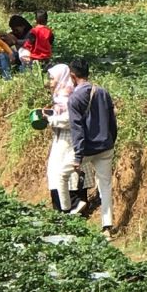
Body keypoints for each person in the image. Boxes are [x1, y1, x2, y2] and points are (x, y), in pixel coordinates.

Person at [67, 57, 118, 241]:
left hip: (88, 149)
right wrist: (111, 140)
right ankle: (107, 227)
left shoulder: (74, 99)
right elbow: (113, 121)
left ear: (73, 76)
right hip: (106, 146)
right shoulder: (103, 92)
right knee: (105, 185)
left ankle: (71, 206)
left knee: (60, 172)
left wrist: (78, 156)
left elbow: (77, 129)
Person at [44, 64, 87, 214]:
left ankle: (73, 205)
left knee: (62, 172)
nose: (50, 82)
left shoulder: (67, 96)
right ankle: (68, 206)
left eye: (52, 78)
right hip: (62, 137)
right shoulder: (60, 95)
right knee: (60, 171)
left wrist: (50, 120)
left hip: (68, 138)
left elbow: (70, 119)